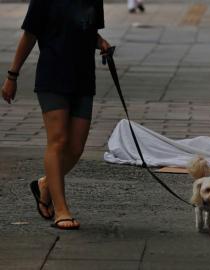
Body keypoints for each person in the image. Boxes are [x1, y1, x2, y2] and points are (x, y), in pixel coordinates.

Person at [1, 0, 111, 230]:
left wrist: (100, 42)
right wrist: (12, 76)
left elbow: (87, 30)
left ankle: (45, 184)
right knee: (58, 141)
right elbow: (29, 36)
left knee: (76, 148)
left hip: (83, 78)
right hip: (53, 76)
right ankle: (62, 210)